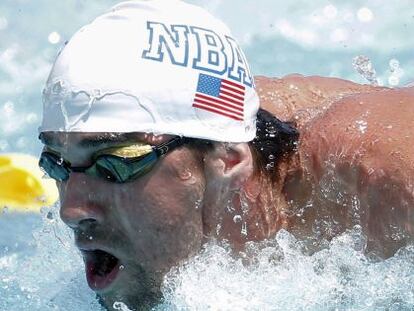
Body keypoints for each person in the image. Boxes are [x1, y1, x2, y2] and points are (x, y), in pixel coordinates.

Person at [38, 0, 414, 309]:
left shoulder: (381, 179)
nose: (70, 211)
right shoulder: (204, 118)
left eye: (116, 163)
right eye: (57, 162)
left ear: (228, 161)